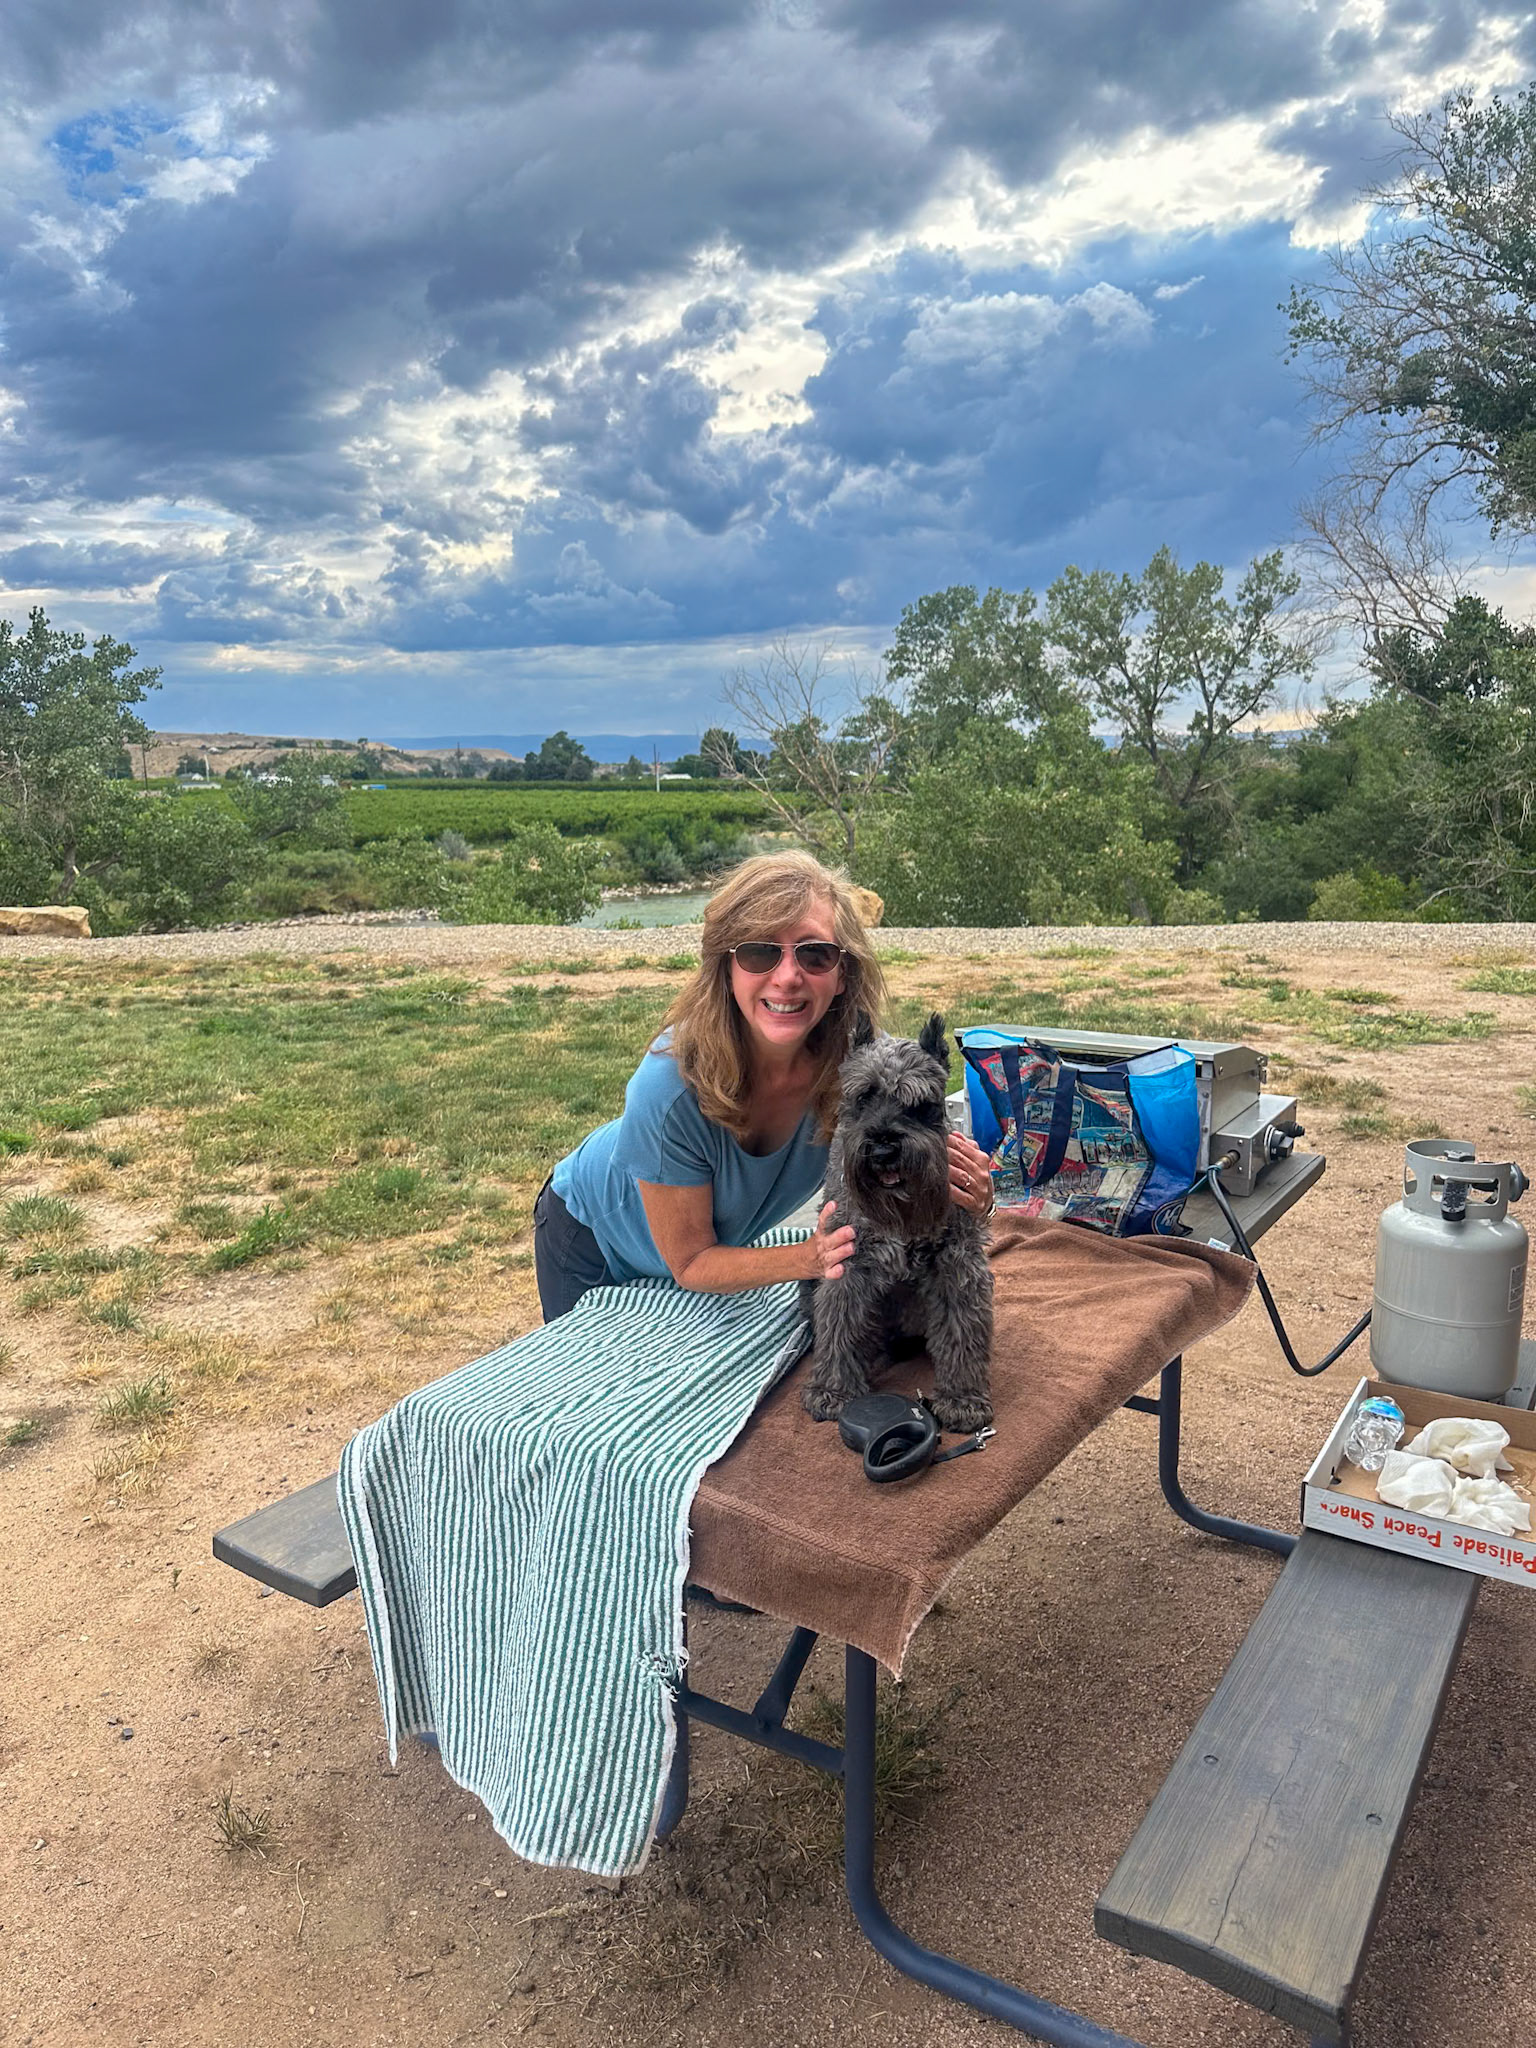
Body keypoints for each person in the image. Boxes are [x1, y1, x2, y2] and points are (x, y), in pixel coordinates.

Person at [534, 850, 996, 1321]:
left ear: (842, 974)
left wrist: (973, 1190)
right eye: (759, 952)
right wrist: (808, 1258)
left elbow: (917, 1149)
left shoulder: (863, 1071)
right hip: (592, 1239)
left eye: (815, 954)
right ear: (727, 968)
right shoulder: (669, 1084)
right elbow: (691, 1262)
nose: (788, 977)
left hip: (711, 1254)